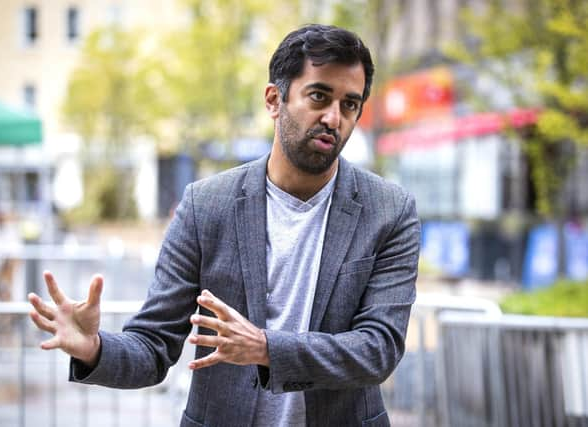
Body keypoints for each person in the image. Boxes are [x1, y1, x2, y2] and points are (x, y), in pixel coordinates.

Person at [28, 24, 420, 427]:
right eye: (319, 96)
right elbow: (154, 345)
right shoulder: (206, 205)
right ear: (274, 99)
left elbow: (379, 349)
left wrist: (266, 348)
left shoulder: (389, 211)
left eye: (350, 104)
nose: (334, 118)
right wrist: (93, 347)